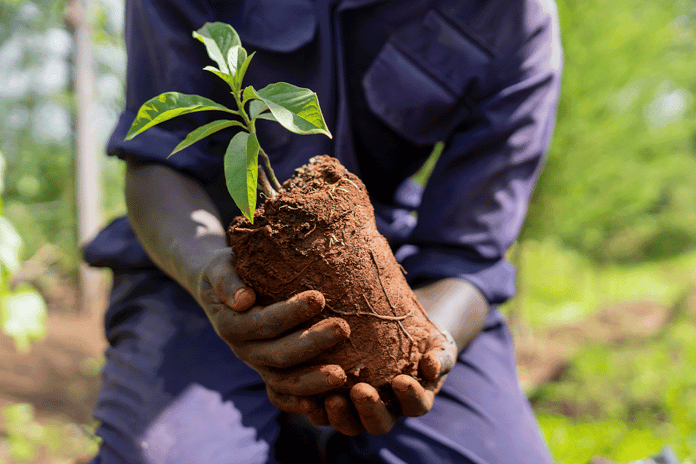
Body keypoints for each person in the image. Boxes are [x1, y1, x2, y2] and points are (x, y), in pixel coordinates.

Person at [83, 0, 563, 462]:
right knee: (167, 454)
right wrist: (209, 274)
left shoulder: (516, 18)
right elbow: (158, 162)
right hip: (197, 258)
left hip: (397, 277)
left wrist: (427, 347)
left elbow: (467, 256)